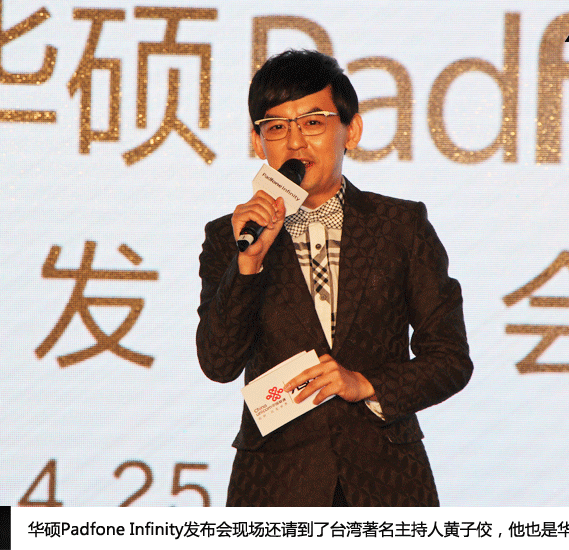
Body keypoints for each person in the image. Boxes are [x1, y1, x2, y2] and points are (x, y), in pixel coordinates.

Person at [196, 50, 472, 506]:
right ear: (258, 142)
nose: (295, 142)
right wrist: (249, 265)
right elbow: (218, 363)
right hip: (274, 487)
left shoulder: (401, 226)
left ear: (352, 131)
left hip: (387, 483)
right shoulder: (232, 236)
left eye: (312, 122)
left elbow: (450, 359)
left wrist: (365, 384)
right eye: (276, 127)